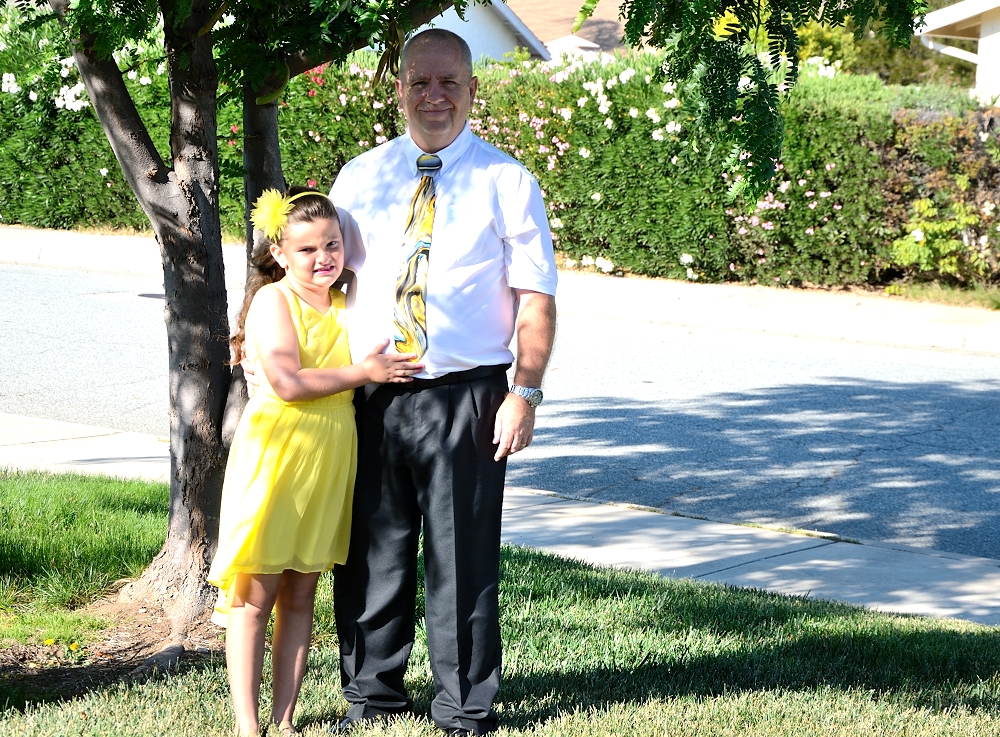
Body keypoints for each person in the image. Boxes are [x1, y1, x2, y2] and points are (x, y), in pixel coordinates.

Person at [330, 29, 558, 735]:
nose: (435, 96)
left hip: (468, 396)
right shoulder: (359, 177)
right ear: (399, 88)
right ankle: (372, 696)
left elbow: (536, 298)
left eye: (449, 82)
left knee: (463, 559)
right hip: (371, 393)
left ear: (471, 90)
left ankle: (464, 707)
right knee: (372, 553)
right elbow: (322, 279)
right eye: (420, 82)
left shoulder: (507, 182)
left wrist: (525, 392)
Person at [208, 187, 423, 737]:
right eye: (306, 249)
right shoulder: (274, 301)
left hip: (330, 453)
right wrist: (365, 373)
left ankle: (283, 720)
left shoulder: (349, 299)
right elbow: (286, 382)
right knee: (256, 595)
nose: (323, 257)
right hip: (278, 452)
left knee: (301, 593)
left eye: (332, 244)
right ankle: (247, 726)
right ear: (279, 254)